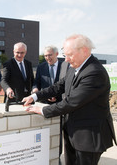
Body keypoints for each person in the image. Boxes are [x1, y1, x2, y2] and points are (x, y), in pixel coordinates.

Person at [22, 34, 116, 165]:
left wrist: (43, 110)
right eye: (65, 55)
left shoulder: (95, 72)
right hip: (72, 132)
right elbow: (58, 86)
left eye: (69, 55)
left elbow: (72, 102)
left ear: (84, 50)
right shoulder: (74, 67)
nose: (66, 60)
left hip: (88, 136)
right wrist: (34, 96)